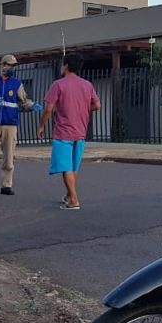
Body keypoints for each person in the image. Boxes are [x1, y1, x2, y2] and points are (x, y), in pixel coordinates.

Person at [36, 54, 100, 210]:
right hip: (80, 131)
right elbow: (97, 105)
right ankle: (68, 195)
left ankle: (74, 200)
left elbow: (49, 109)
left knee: (66, 167)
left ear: (65, 66)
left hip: (64, 132)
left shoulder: (58, 85)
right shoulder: (87, 85)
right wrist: (84, 109)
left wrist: (41, 125)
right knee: (73, 167)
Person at [0, 54, 42, 195]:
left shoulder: (17, 84)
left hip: (10, 124)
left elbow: (23, 102)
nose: (11, 68)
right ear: (3, 65)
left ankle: (6, 184)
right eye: (10, 65)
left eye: (13, 66)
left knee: (9, 156)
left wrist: (32, 106)